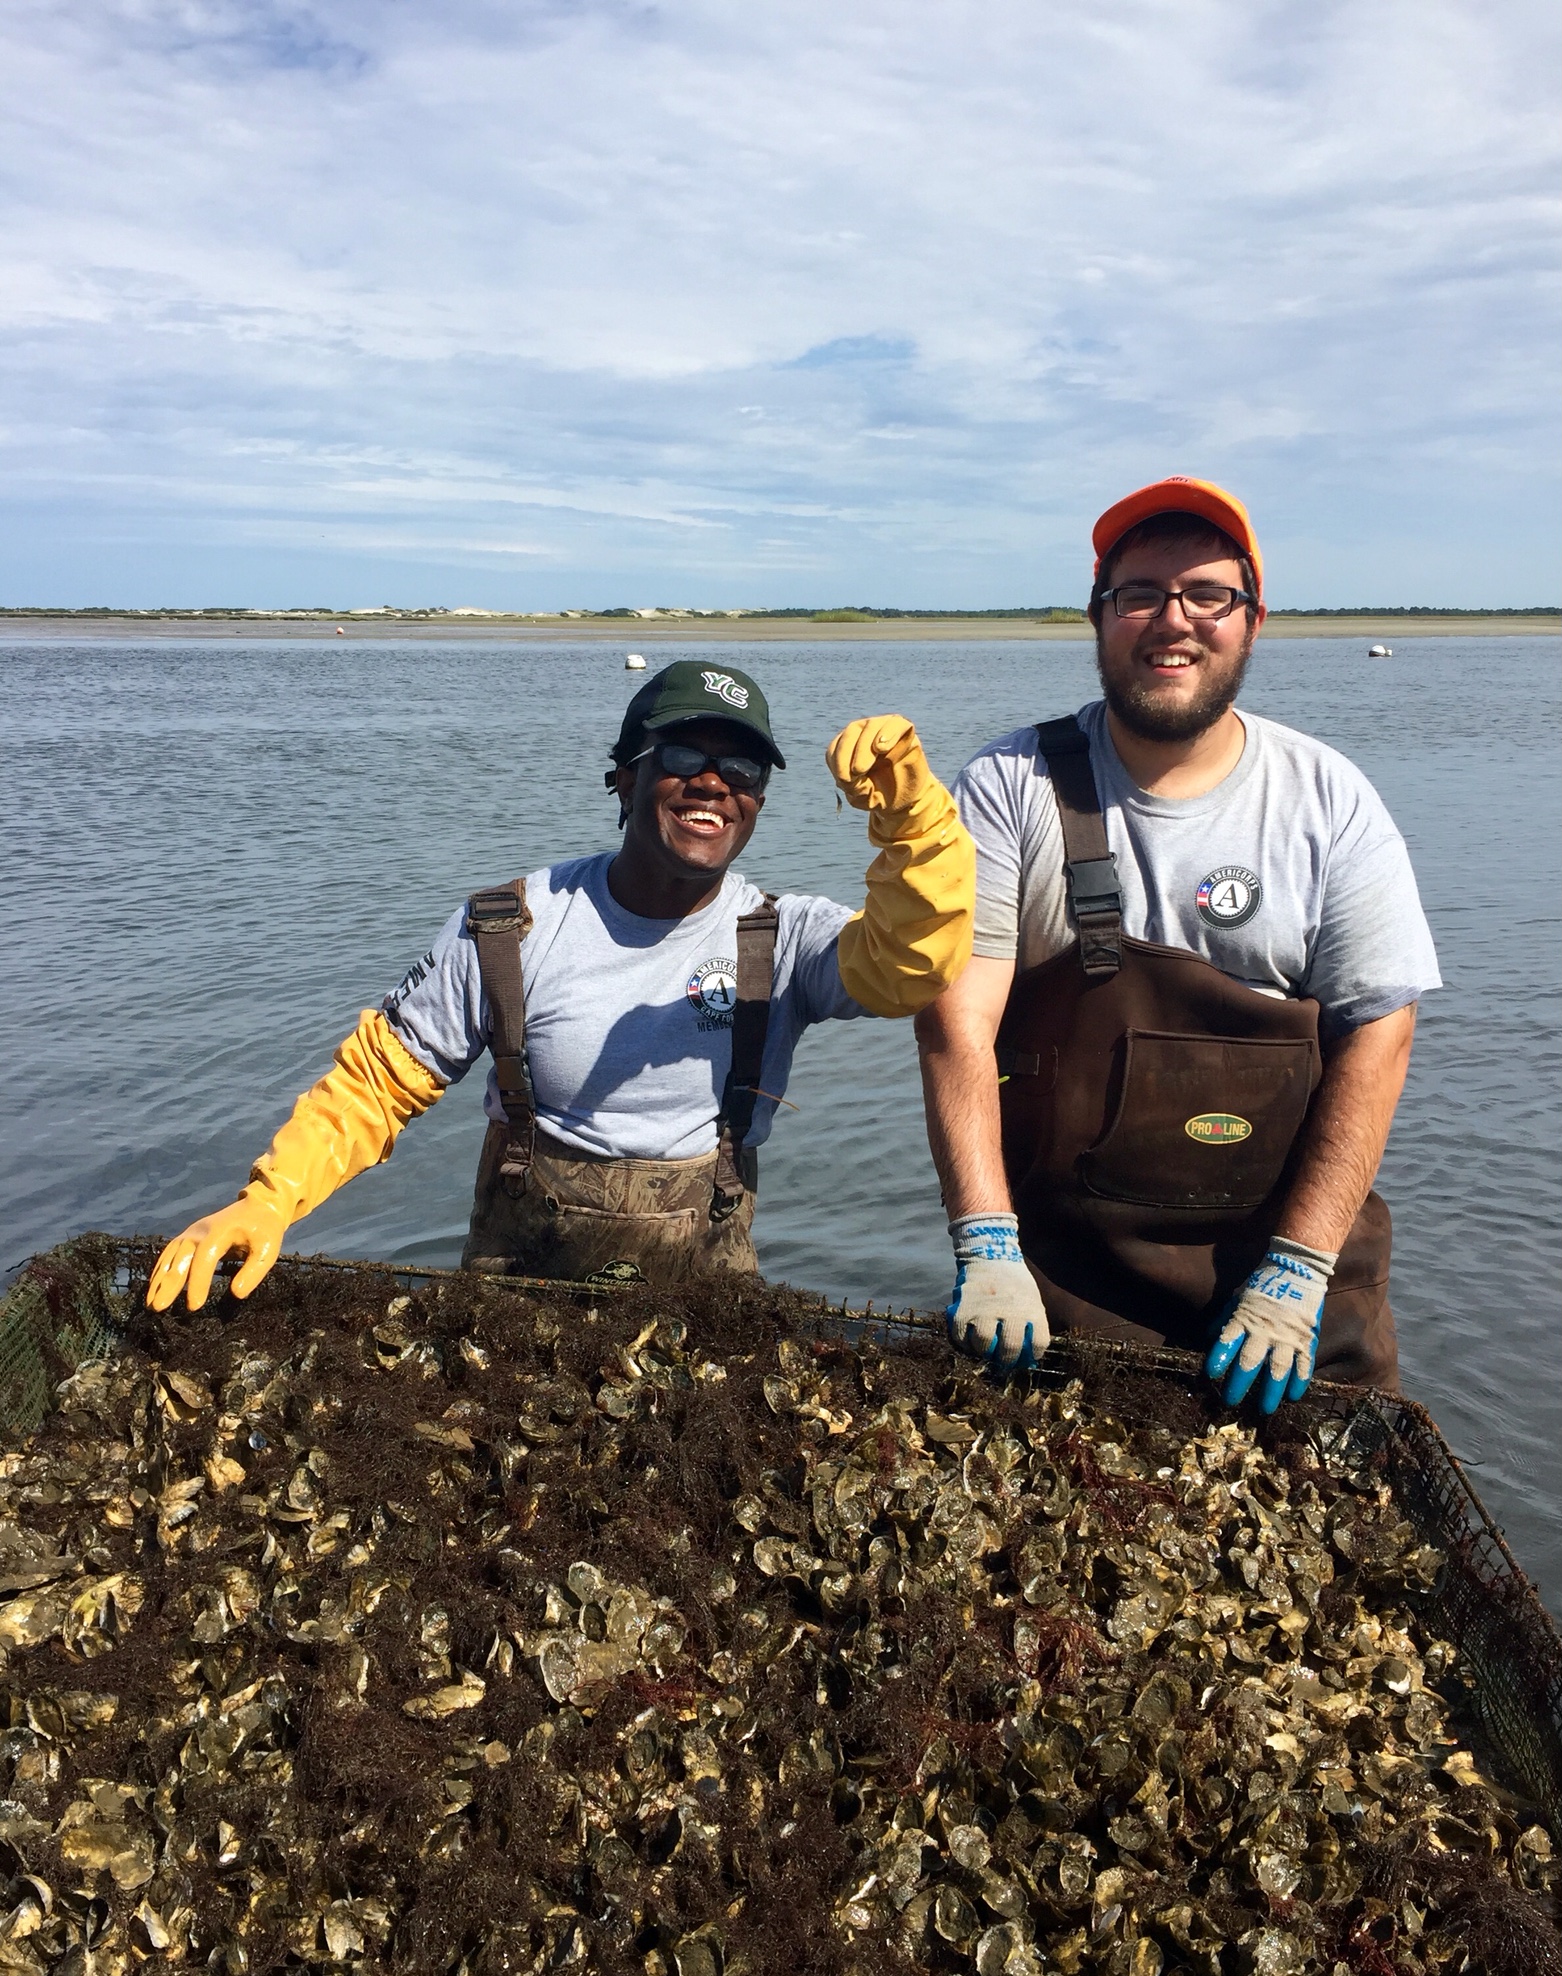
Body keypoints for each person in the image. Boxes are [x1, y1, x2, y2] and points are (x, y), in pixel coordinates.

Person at [148, 660, 974, 1309]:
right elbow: (377, 1082)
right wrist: (269, 1200)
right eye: (683, 756)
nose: (715, 783)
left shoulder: (783, 936)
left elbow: (910, 965)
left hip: (708, 1301)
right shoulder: (512, 926)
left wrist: (916, 823)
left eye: (744, 768)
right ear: (624, 776)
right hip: (515, 1290)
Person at [915, 478, 1441, 1411]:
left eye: (1208, 595)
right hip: (1067, 1290)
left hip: (1289, 1286)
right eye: (1140, 595)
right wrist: (986, 1240)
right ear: (1099, 616)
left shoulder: (1329, 799)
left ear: (1251, 619)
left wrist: (1301, 1268)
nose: (1174, 620)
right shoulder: (1009, 784)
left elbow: (1380, 1034)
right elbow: (958, 1019)